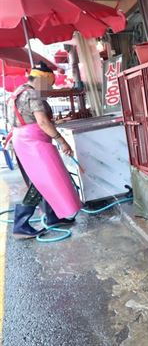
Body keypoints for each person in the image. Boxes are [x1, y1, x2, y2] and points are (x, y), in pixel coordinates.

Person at [9, 62, 82, 239]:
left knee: (47, 178)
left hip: (25, 139)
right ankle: (21, 224)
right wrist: (61, 141)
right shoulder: (31, 93)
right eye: (49, 84)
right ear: (42, 80)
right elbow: (42, 122)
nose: (49, 87)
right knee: (41, 181)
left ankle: (53, 216)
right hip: (32, 142)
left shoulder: (19, 91)